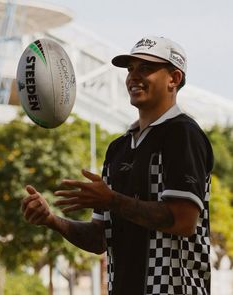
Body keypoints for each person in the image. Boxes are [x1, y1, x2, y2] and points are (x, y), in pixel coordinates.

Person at [21, 36, 214, 295]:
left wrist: (111, 199)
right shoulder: (117, 149)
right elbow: (100, 238)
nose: (133, 76)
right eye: (130, 69)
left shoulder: (183, 134)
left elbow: (182, 220)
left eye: (145, 68)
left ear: (174, 79)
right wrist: (52, 220)